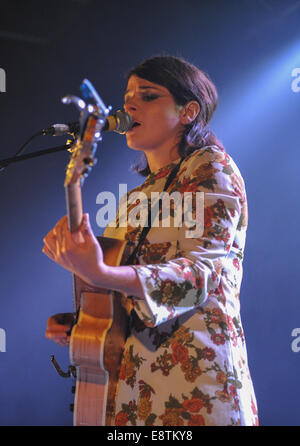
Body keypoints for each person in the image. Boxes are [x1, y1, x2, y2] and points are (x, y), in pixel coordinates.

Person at [43, 55, 259, 426]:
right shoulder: (133, 200)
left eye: (148, 95)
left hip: (197, 388)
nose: (129, 104)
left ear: (188, 111)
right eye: (128, 95)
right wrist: (84, 326)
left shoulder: (210, 166)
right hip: (134, 392)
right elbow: (116, 299)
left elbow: (198, 274)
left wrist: (100, 272)